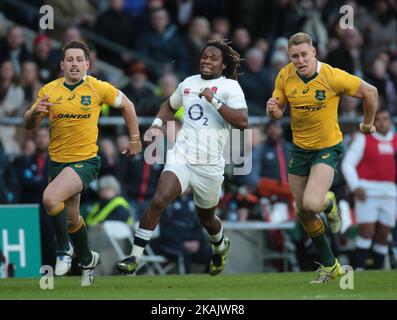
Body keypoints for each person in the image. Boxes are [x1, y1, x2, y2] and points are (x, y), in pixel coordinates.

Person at [117, 39, 248, 276]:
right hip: (183, 156)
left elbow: (242, 122)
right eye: (204, 56)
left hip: (210, 165)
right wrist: (157, 125)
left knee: (207, 219)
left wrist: (215, 101)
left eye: (213, 58)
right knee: (159, 200)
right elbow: (169, 105)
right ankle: (134, 257)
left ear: (224, 65)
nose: (207, 61)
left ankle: (219, 245)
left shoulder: (230, 87)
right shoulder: (188, 83)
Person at [23, 40, 141, 286]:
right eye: (70, 59)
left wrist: (135, 139)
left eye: (79, 60)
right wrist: (35, 113)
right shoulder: (49, 90)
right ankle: (87, 258)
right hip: (58, 163)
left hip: (85, 162)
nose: (75, 64)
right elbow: (29, 124)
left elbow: (127, 105)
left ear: (88, 64)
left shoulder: (97, 88)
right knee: (72, 218)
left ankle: (64, 249)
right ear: (62, 64)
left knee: (50, 199)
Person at [266, 32, 378, 283]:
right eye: (295, 56)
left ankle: (329, 203)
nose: (300, 60)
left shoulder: (332, 76)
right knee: (303, 211)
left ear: (314, 52)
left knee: (313, 204)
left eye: (304, 54)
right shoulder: (285, 75)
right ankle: (332, 266)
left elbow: (370, 92)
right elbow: (277, 110)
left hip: (327, 147)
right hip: (299, 149)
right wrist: (272, 110)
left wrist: (368, 124)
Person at [342, 110, 397, 270]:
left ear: (390, 121)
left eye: (385, 119)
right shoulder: (363, 139)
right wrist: (355, 186)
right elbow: (347, 164)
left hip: (390, 192)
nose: (382, 123)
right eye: (377, 120)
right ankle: (358, 269)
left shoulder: (394, 140)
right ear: (372, 122)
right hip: (367, 192)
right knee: (367, 231)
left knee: (383, 234)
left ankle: (377, 271)